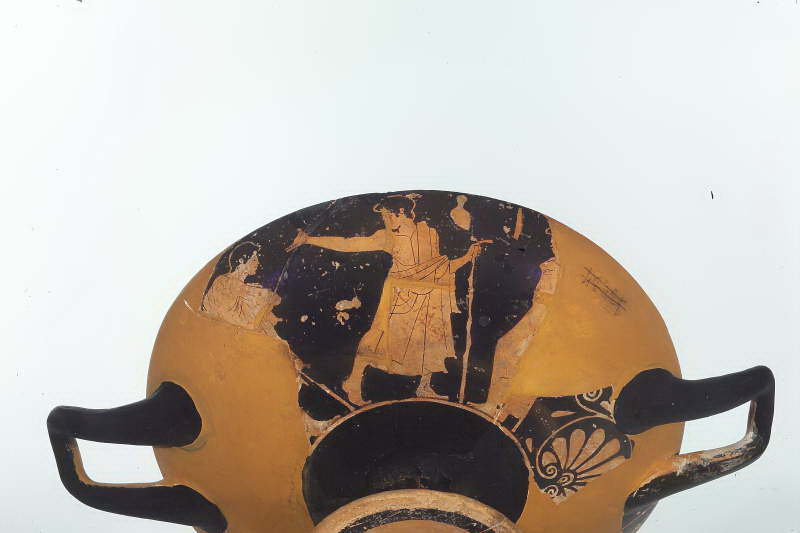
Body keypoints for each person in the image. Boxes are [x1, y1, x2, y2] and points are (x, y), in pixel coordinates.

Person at [286, 194, 486, 403]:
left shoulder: (429, 233)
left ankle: (424, 385)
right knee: (378, 337)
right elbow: (349, 244)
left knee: (429, 340)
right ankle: (353, 382)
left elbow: (439, 267)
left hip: (430, 295)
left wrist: (467, 257)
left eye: (387, 216)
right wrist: (309, 239)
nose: (385, 221)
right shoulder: (387, 238)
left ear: (400, 213)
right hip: (398, 294)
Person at [202, 242, 281, 335]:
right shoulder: (223, 282)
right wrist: (267, 297)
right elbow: (269, 297)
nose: (257, 263)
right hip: (218, 333)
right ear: (241, 260)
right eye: (254, 259)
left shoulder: (243, 287)